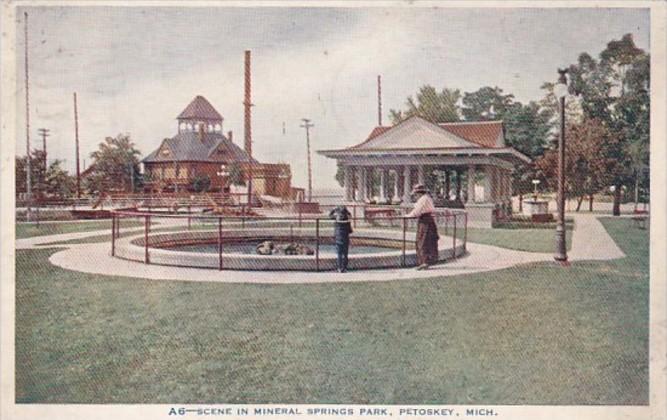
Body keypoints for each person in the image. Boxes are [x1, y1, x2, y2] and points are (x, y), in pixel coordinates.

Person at [405, 184, 439, 270]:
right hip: (427, 220)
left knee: (422, 240)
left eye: (416, 194)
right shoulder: (427, 198)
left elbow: (417, 211)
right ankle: (426, 260)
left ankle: (424, 262)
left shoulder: (423, 199)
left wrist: (408, 216)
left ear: (419, 193)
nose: (415, 196)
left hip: (425, 221)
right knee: (427, 240)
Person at [329, 205, 353, 272]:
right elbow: (350, 231)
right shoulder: (347, 221)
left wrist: (334, 209)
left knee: (339, 254)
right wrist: (348, 212)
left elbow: (330, 215)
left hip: (338, 238)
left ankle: (339, 268)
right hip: (345, 238)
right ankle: (344, 268)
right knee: (345, 254)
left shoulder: (337, 220)